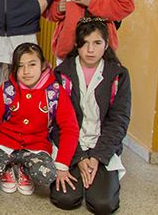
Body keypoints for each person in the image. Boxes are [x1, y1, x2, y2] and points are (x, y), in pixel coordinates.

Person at [50, 18, 131, 214]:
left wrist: (97, 157)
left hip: (102, 146)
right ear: (77, 45)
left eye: (97, 43)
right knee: (66, 199)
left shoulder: (118, 75)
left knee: (103, 205)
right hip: (70, 144)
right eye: (84, 43)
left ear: (106, 44)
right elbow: (56, 122)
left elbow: (119, 120)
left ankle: (97, 176)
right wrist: (78, 157)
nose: (90, 50)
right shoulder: (62, 73)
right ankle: (80, 170)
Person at [0, 43, 79, 196]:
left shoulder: (55, 92)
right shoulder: (7, 89)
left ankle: (23, 169)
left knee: (47, 175)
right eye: (20, 66)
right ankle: (8, 167)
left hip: (37, 146)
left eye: (32, 64)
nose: (26, 71)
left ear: (43, 65)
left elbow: (70, 128)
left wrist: (62, 164)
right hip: (4, 143)